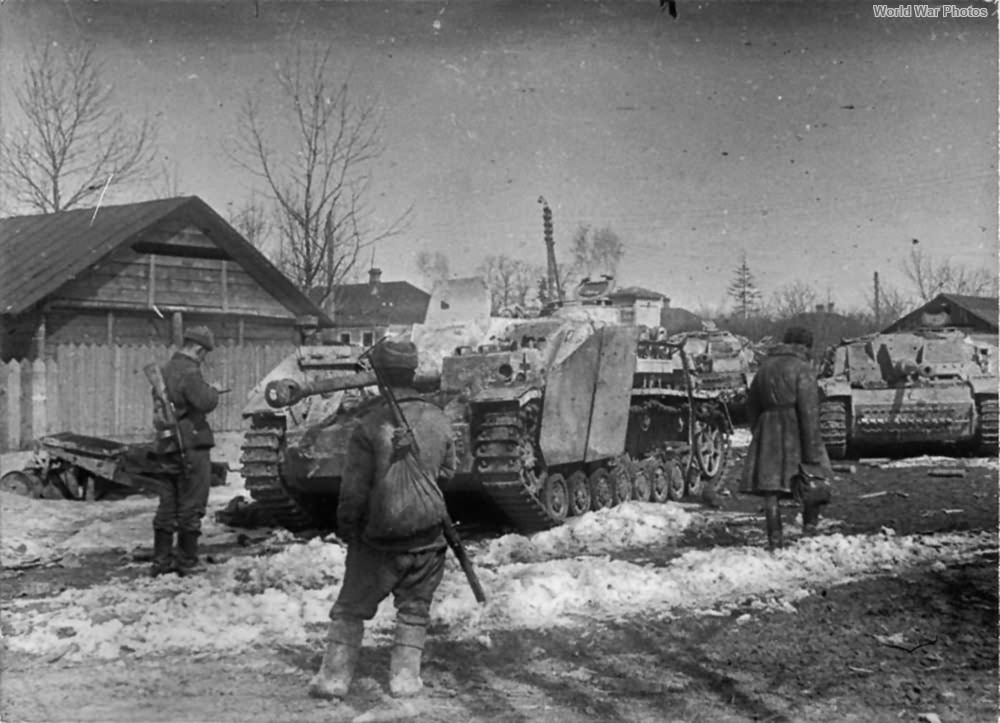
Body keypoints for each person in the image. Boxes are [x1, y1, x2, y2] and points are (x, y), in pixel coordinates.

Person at [309, 339, 456, 701]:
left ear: (380, 377)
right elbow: (449, 472)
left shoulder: (370, 424)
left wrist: (348, 528)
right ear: (413, 371)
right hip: (429, 539)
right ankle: (405, 680)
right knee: (415, 609)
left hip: (379, 543)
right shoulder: (438, 417)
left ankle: (334, 679)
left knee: (350, 607)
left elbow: (353, 491)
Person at [740, 326, 832, 550]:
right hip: (796, 429)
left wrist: (760, 429)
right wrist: (812, 452)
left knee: (770, 489)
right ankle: (809, 531)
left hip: (768, 427)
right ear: (804, 346)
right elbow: (809, 410)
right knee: (812, 479)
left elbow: (751, 405)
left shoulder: (764, 368)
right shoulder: (803, 368)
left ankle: (775, 539)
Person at [150, 326, 220, 576]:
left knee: (168, 502)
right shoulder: (190, 372)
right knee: (192, 502)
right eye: (204, 354)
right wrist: (214, 392)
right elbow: (203, 401)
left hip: (167, 445)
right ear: (198, 349)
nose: (203, 359)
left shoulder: (165, 370)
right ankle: (187, 561)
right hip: (190, 445)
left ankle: (161, 560)